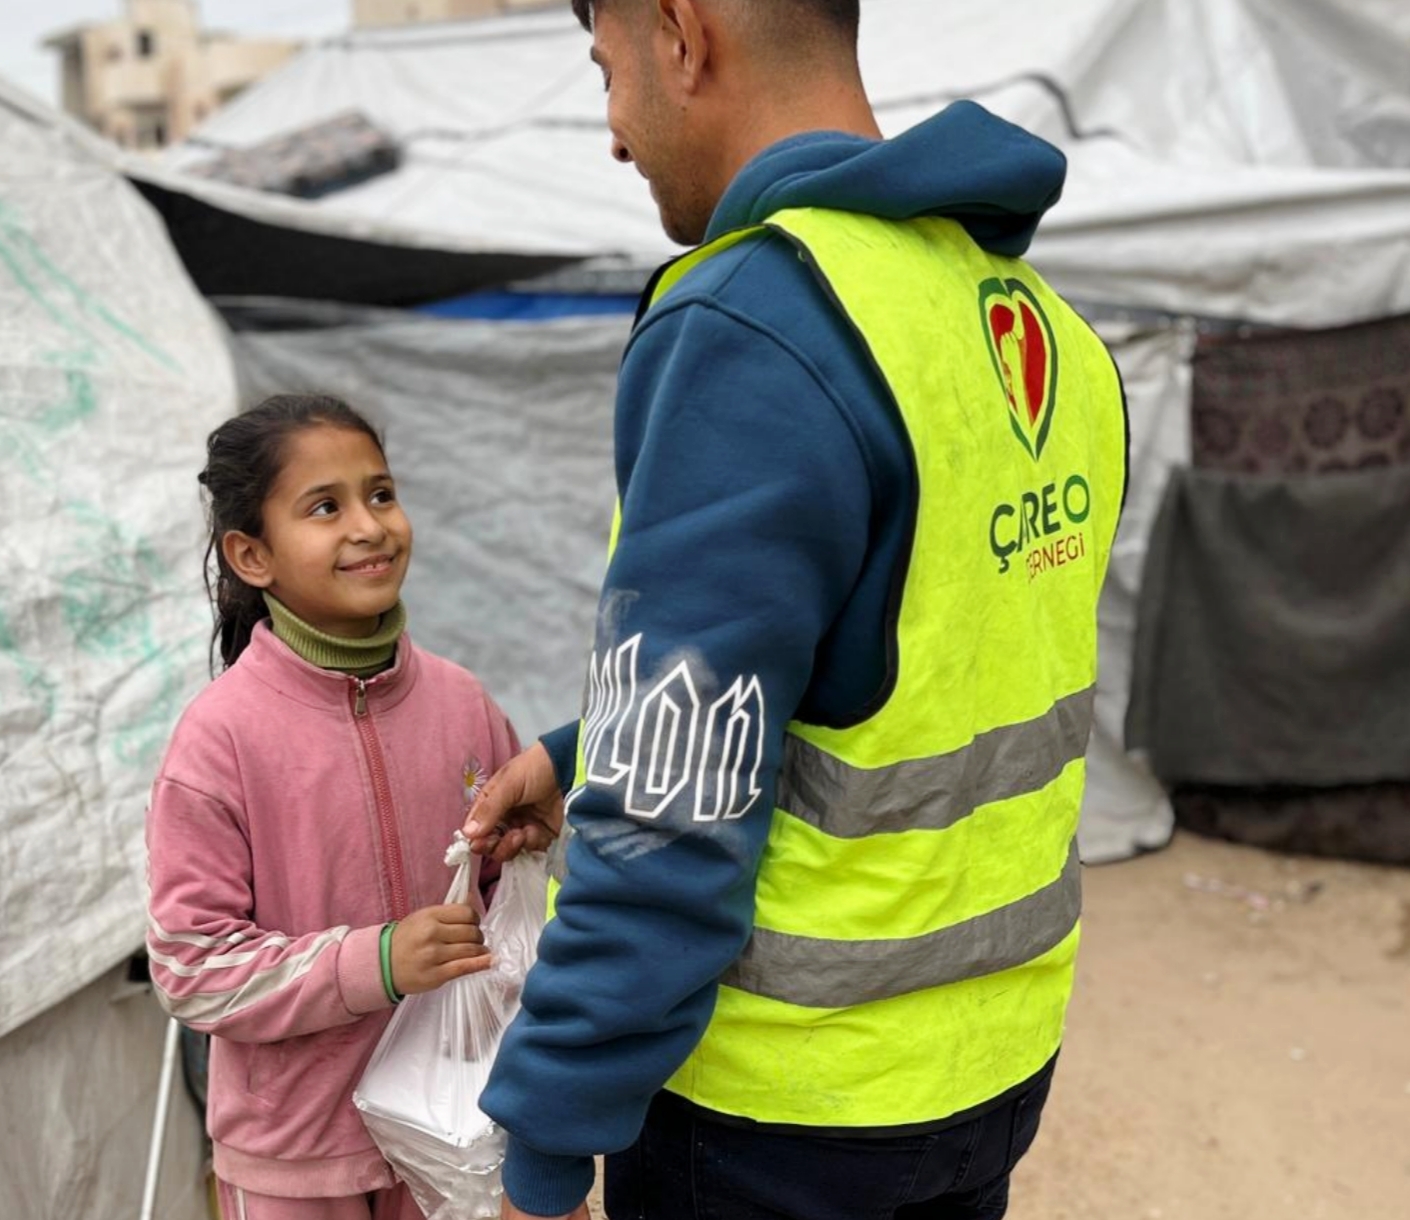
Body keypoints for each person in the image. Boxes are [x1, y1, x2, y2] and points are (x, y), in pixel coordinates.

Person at [462, 1, 1130, 1218]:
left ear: (680, 34)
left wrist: (547, 1137)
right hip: (989, 1063)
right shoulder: (1045, 327)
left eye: (607, 72)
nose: (614, 130)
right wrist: (580, 751)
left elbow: (670, 808)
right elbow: (918, 668)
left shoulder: (753, 325)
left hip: (782, 1111)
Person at [146, 394, 523, 1220]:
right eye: (325, 507)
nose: (369, 526)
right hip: (295, 1159)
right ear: (252, 555)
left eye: (380, 494)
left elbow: (512, 899)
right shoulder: (221, 738)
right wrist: (375, 963)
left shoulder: (463, 704)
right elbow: (192, 968)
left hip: (452, 1132)